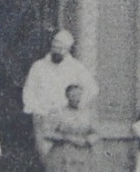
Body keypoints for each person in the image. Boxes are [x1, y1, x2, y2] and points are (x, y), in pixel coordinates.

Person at [22, 29, 98, 160]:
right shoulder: (39, 67)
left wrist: (78, 107)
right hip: (44, 118)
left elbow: (92, 88)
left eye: (61, 48)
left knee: (65, 157)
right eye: (55, 47)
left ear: (68, 49)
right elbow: (28, 93)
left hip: (67, 121)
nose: (57, 51)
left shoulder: (76, 67)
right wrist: (38, 111)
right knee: (45, 157)